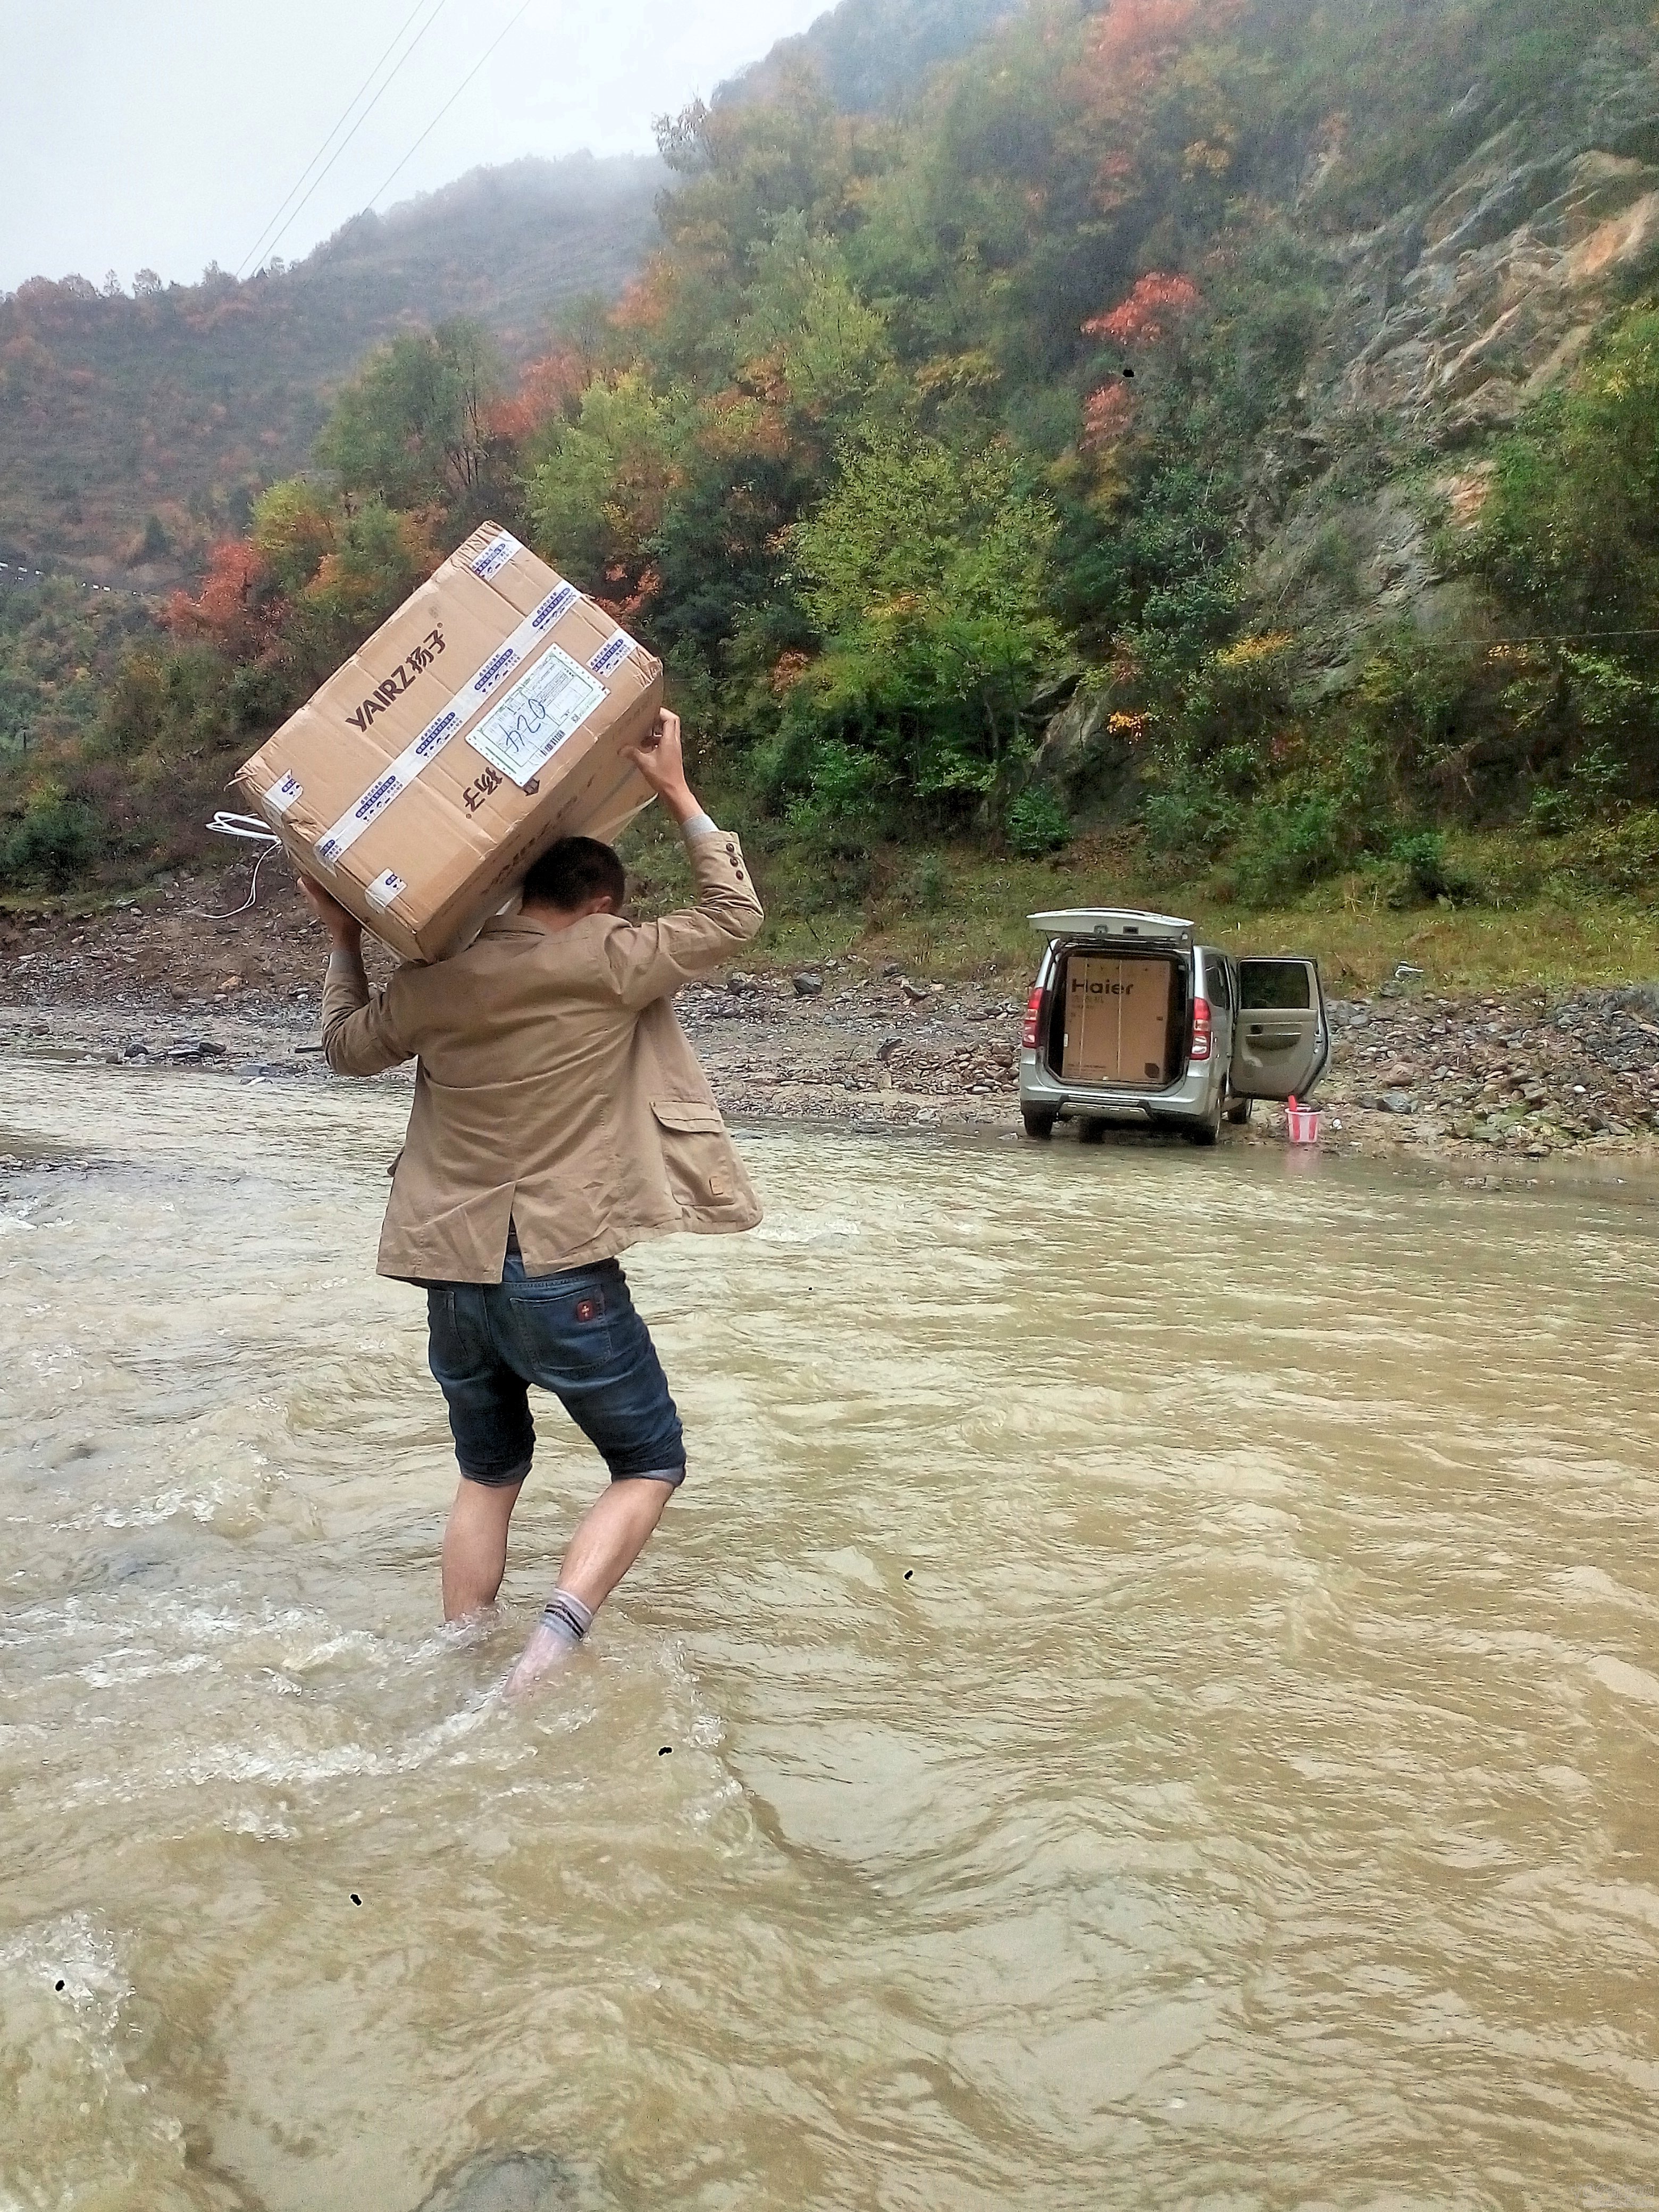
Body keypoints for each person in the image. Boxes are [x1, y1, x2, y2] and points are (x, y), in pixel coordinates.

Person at [298, 711, 763, 1694]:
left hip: (449, 1274)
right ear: (603, 904)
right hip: (557, 1269)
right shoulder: (607, 961)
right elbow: (733, 916)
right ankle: (547, 1652)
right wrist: (676, 790)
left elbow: (343, 1050)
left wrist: (342, 939)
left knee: (488, 1473)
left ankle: (463, 1654)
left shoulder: (438, 982)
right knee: (649, 1461)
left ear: (521, 891)